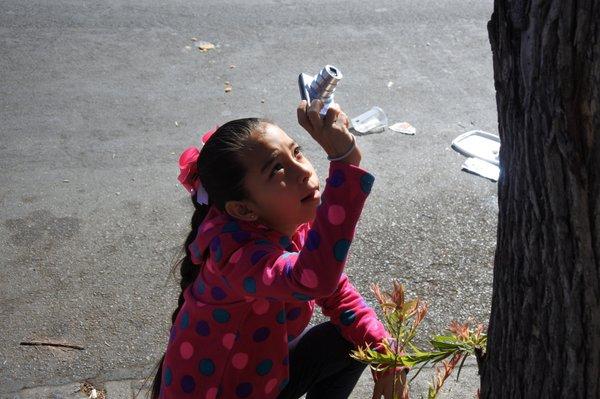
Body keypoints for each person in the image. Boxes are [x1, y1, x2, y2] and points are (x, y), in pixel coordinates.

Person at [151, 99, 407, 399]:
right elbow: (314, 278)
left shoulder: (290, 226)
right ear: (243, 210)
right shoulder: (234, 256)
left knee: (354, 340)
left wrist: (388, 355)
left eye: (297, 152)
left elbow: (335, 292)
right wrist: (346, 162)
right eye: (276, 170)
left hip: (265, 379)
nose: (303, 170)